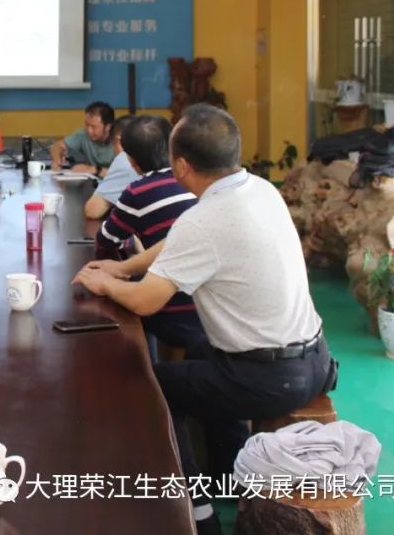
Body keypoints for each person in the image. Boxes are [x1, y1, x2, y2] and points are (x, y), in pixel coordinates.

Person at [75, 105, 336, 535]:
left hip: (271, 378)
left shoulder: (204, 219)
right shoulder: (260, 189)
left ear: (181, 165)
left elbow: (145, 302)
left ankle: (197, 509)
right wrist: (122, 267)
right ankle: (228, 473)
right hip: (316, 360)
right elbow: (176, 244)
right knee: (200, 350)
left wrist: (106, 284)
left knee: (152, 385)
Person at [83, 116, 205, 352]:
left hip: (172, 309)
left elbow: (106, 240)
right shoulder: (195, 181)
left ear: (131, 161)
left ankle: (141, 367)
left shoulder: (138, 191)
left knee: (112, 306)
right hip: (207, 309)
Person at [83, 115, 139, 219]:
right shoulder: (157, 155)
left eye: (112, 144)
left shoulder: (125, 159)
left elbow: (92, 211)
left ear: (119, 141)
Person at [50, 101, 115, 175]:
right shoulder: (83, 134)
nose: (89, 131)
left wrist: (93, 170)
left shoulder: (119, 140)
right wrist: (57, 160)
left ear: (108, 127)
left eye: (94, 127)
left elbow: (123, 173)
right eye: (87, 125)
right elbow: (57, 146)